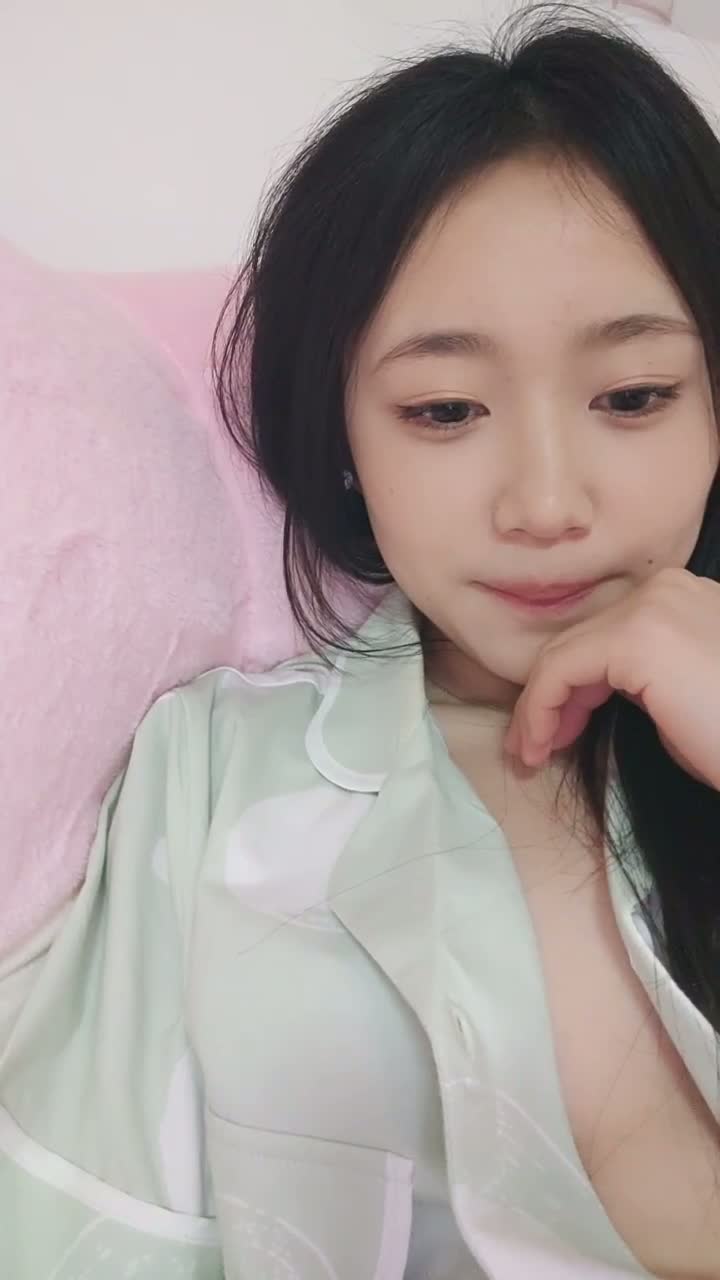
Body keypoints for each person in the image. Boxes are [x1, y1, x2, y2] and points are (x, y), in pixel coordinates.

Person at [2, 2, 720, 1276]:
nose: (546, 502)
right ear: (343, 431)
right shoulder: (210, 775)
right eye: (444, 408)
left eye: (633, 395)